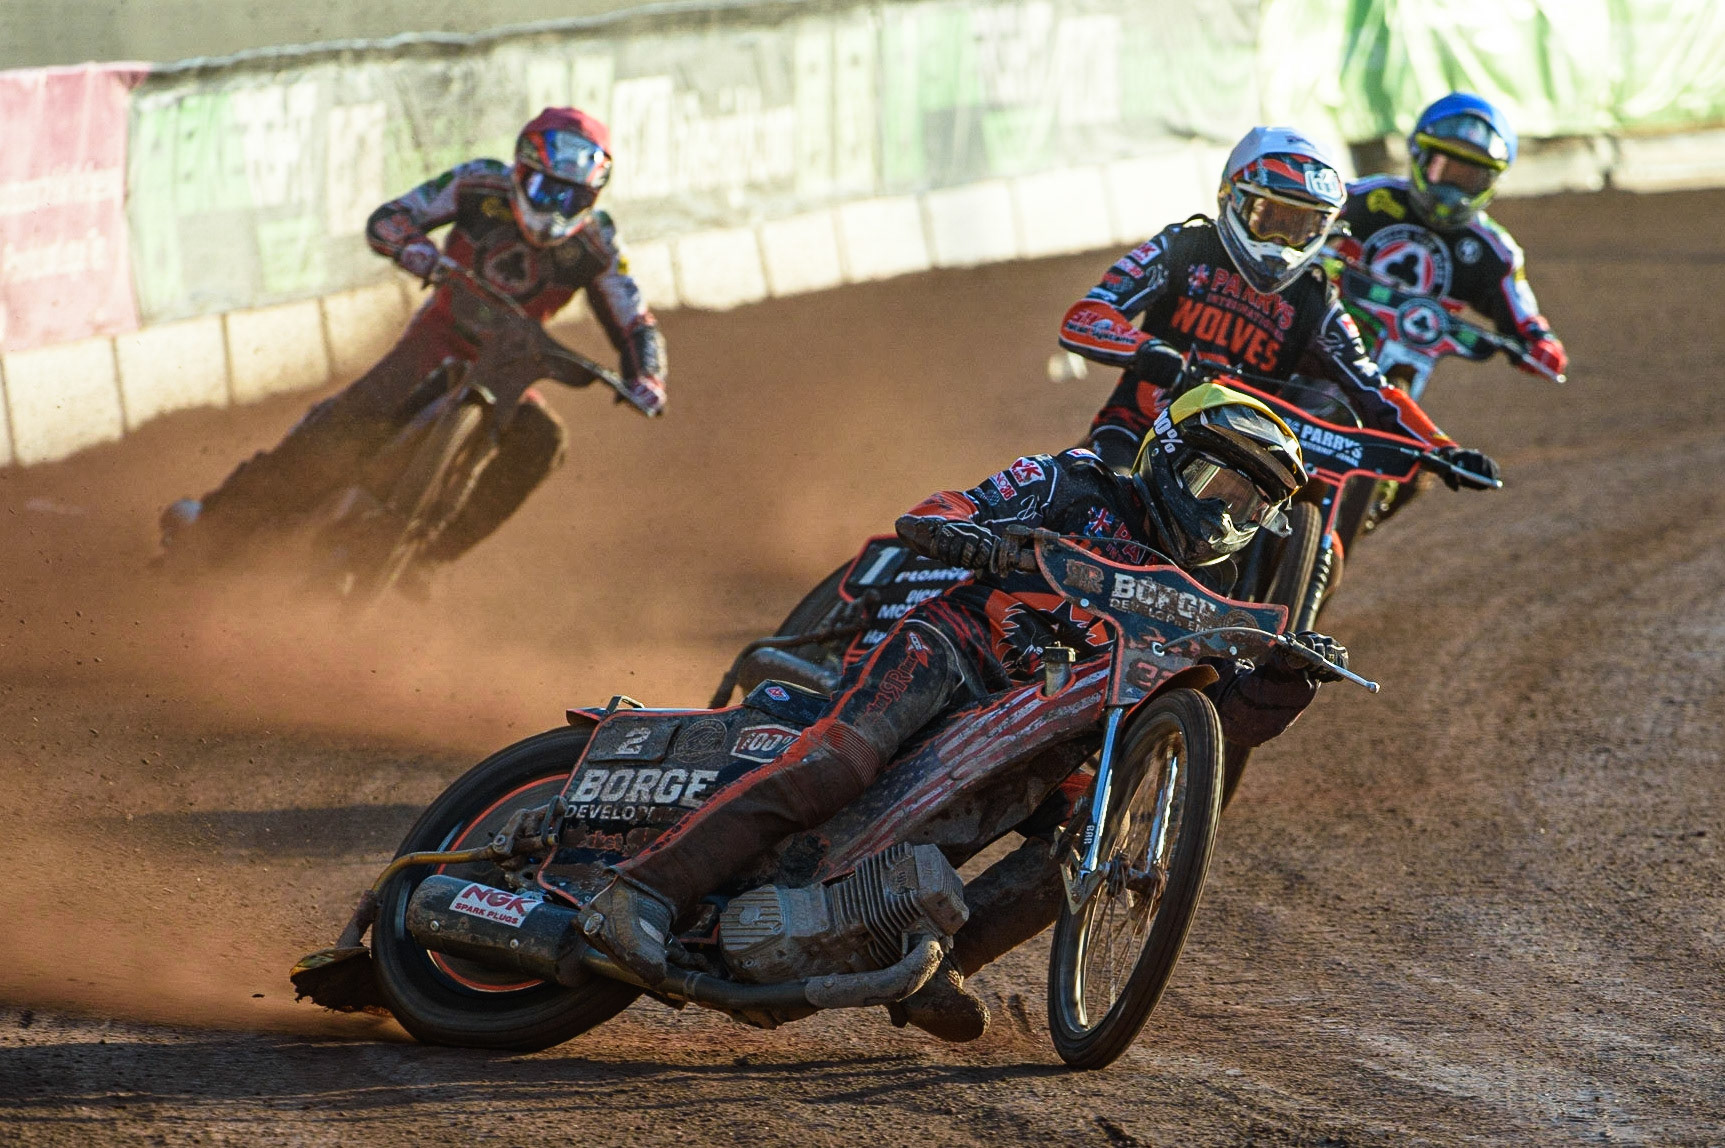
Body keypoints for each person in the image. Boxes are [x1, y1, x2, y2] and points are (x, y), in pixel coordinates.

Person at [579, 384, 1350, 1041]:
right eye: (1217, 483)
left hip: (1046, 729)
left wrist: (1278, 687)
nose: (1222, 513)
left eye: (1248, 506)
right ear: (1166, 455)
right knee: (836, 765)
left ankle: (935, 966)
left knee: (1083, 846)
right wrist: (985, 541)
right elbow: (936, 512)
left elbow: (1204, 721)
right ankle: (639, 891)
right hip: (949, 653)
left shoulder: (1198, 602)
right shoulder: (1075, 483)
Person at [161, 107, 667, 575]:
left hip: (510, 365)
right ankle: (214, 523)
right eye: (544, 189)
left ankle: (426, 559)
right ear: (519, 170)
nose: (556, 209)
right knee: (348, 423)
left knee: (543, 442)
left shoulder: (598, 242)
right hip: (440, 337)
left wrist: (649, 376)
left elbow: (634, 318)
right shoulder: (476, 184)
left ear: (593, 199)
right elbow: (390, 219)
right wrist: (417, 252)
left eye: (572, 198)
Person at [1056, 125, 1499, 492]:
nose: (1282, 244)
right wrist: (1150, 353)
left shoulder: (1316, 297)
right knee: (1094, 494)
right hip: (1140, 427)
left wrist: (1442, 447)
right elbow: (1084, 318)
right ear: (1233, 198)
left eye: (1303, 227)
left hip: (1244, 459)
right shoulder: (1183, 245)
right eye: (1271, 220)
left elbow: (1373, 386)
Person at [1331, 92, 1567, 380]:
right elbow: (1310, 214)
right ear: (1419, 155)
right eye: (1444, 169)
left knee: (1397, 413)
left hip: (1400, 363)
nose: (1452, 190)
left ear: (1491, 182)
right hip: (1323, 322)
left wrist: (1542, 343)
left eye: (1469, 178)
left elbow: (1524, 318)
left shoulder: (1495, 252)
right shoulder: (1368, 197)